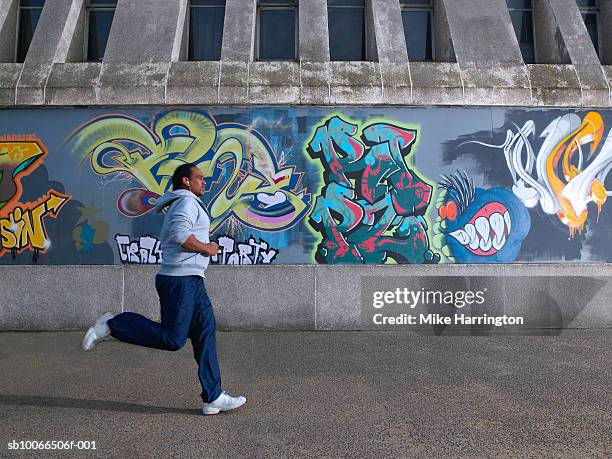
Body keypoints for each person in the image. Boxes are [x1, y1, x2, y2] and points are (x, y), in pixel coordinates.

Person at [81, 163, 246, 415]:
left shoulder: (185, 201)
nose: (205, 182)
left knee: (205, 332)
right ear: (186, 181)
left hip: (192, 279)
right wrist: (207, 248)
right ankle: (112, 324)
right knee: (172, 339)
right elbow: (181, 236)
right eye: (199, 178)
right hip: (180, 280)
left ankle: (213, 396)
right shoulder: (187, 202)